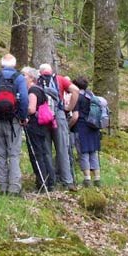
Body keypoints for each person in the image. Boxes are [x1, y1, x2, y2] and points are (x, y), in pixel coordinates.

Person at [0, 54, 28, 195]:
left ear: (2, 63)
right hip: (13, 121)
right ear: (14, 64)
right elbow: (24, 99)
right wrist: (23, 117)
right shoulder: (19, 78)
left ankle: (3, 186)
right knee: (14, 153)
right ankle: (14, 187)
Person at [38, 63, 79, 191]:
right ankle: (67, 180)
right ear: (52, 71)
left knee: (46, 150)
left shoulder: (37, 81)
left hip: (43, 117)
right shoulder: (60, 79)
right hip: (59, 116)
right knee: (62, 149)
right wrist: (69, 108)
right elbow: (75, 90)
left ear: (40, 72)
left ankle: (50, 181)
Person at [22, 67, 55, 192]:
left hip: (34, 125)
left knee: (36, 154)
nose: (22, 77)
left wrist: (22, 111)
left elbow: (31, 109)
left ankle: (42, 183)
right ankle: (49, 181)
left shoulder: (32, 90)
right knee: (43, 153)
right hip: (42, 125)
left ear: (31, 77)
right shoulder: (40, 89)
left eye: (24, 75)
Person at [71, 76, 102, 187]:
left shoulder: (77, 97)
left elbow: (75, 116)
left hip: (81, 127)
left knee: (83, 153)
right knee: (93, 152)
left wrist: (68, 126)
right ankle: (97, 179)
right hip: (93, 127)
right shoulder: (91, 95)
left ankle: (87, 179)